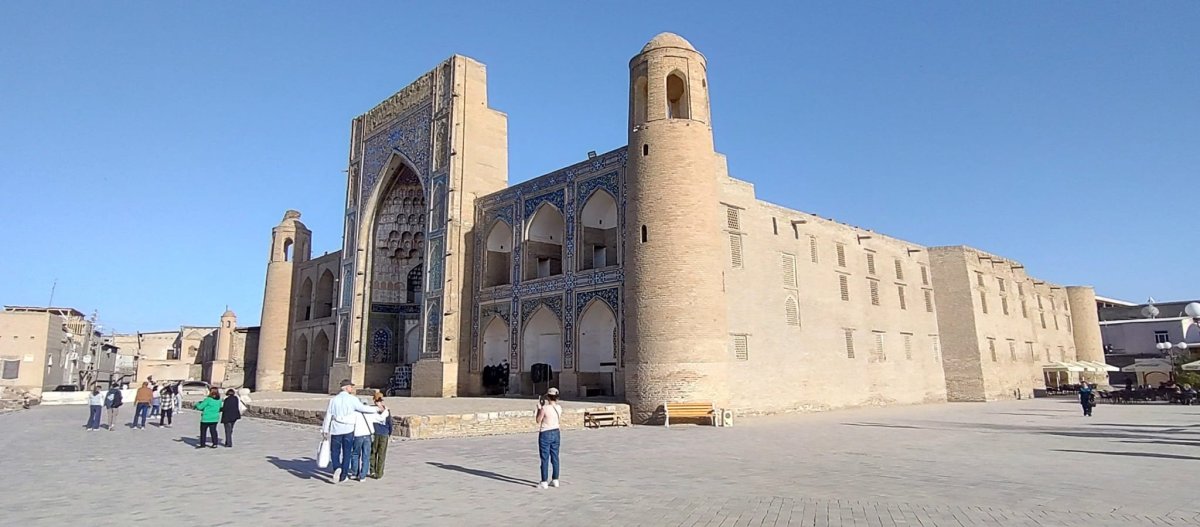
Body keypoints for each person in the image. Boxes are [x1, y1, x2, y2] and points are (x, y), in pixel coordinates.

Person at [320, 379, 381, 484]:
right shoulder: (352, 399)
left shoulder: (333, 400)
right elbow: (363, 408)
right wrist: (376, 409)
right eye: (351, 387)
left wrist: (325, 430)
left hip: (336, 429)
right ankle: (343, 475)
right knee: (347, 452)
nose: (352, 388)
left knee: (335, 451)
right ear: (346, 387)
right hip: (348, 429)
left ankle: (336, 468)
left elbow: (328, 416)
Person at [535, 387, 563, 489]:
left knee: (545, 458)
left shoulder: (545, 409)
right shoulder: (559, 408)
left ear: (548, 397)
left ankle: (544, 481)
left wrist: (539, 409)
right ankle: (555, 479)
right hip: (556, 432)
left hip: (545, 433)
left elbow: (538, 420)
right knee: (555, 457)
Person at [369, 392, 392, 479]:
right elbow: (390, 423)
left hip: (375, 433)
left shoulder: (372, 409)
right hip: (383, 433)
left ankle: (373, 471)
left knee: (373, 453)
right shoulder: (386, 410)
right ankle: (379, 473)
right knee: (381, 454)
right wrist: (389, 433)